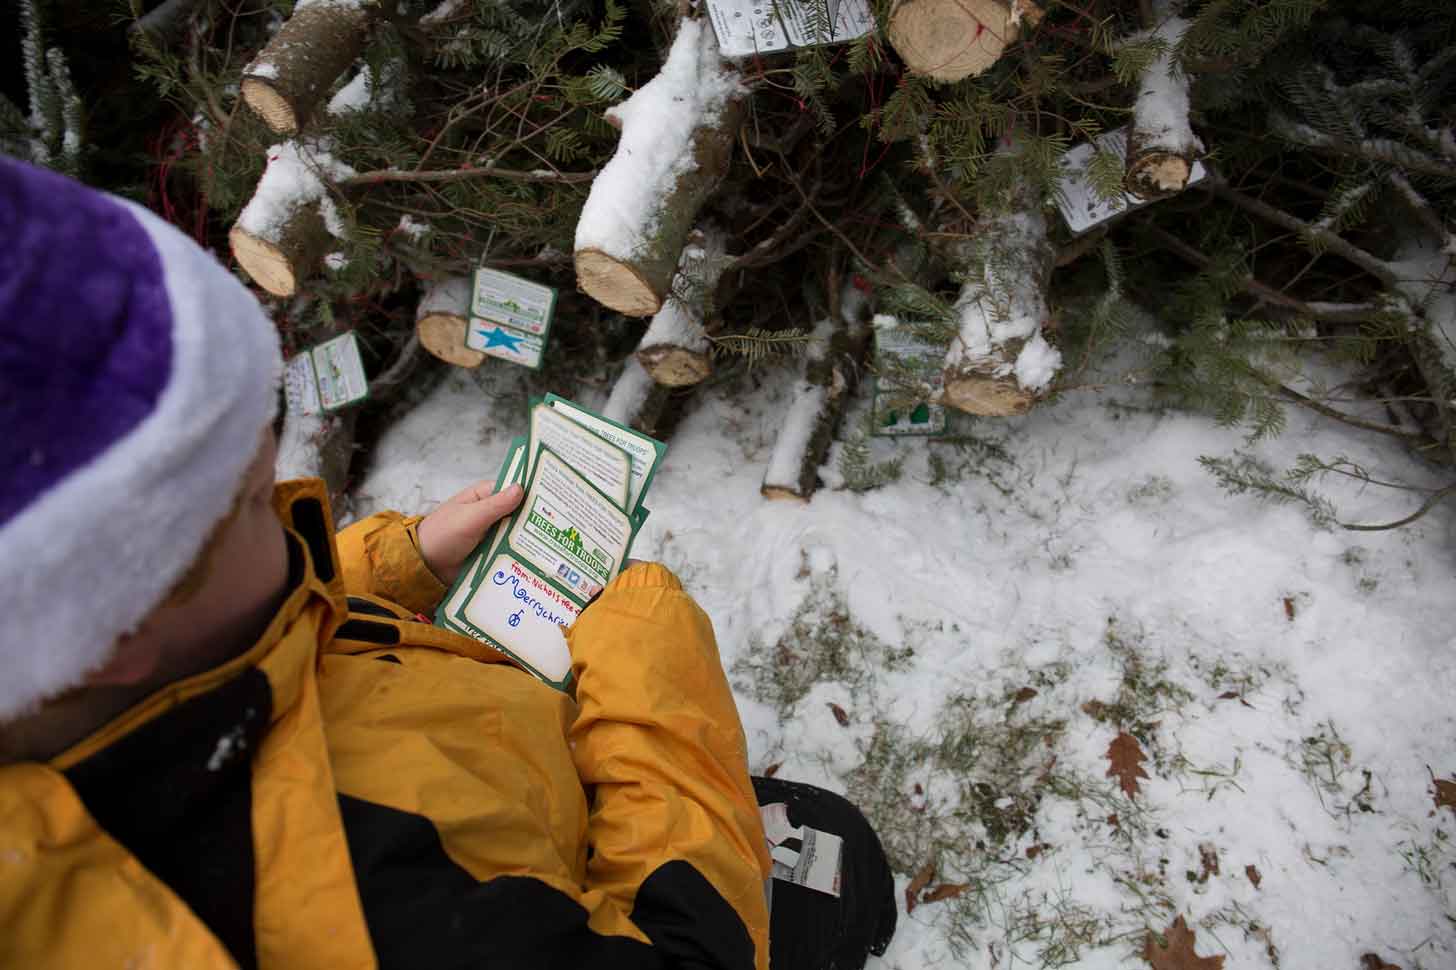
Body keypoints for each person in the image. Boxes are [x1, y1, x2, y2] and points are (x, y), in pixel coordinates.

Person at [0, 155, 895, 969]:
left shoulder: (124, 680)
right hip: (588, 871)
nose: (288, 519)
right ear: (113, 621)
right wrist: (651, 666)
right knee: (837, 861)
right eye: (243, 505)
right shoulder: (368, 922)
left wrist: (397, 564)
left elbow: (259, 626)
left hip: (509, 764)